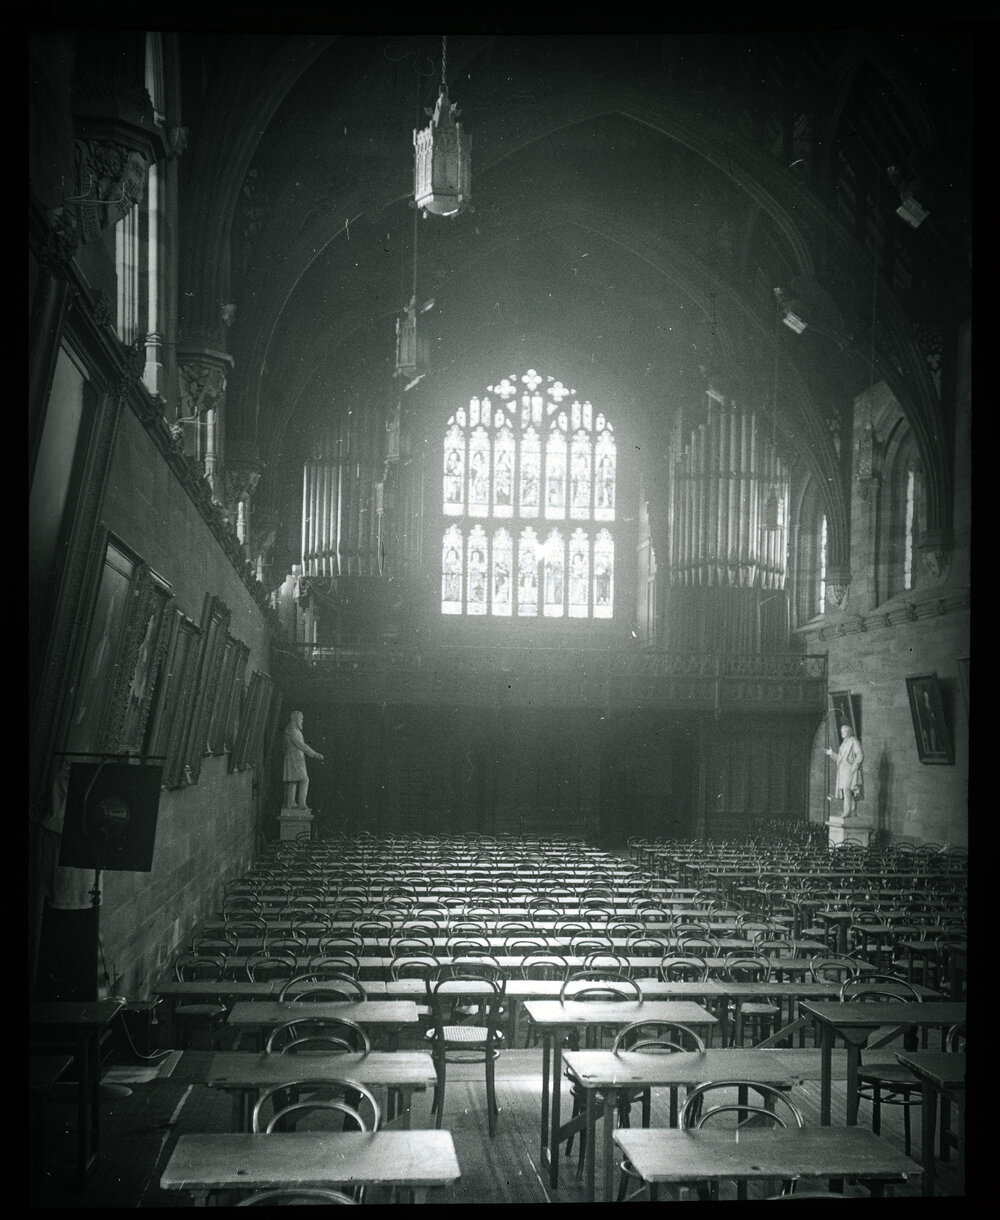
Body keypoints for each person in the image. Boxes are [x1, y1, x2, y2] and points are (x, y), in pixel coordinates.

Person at [282, 710, 323, 809]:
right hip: (294, 759)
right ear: (296, 719)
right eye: (301, 719)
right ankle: (301, 804)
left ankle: (290, 803)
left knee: (293, 780)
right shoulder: (292, 730)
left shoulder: (293, 730)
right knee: (304, 780)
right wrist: (314, 754)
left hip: (295, 758)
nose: (302, 721)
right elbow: (300, 744)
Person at [825, 722, 864, 817]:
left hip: (849, 769)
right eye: (841, 731)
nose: (842, 733)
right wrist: (832, 754)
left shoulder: (854, 742)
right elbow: (840, 759)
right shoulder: (843, 744)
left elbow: (860, 754)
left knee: (847, 790)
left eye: (844, 731)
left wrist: (856, 765)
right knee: (847, 791)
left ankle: (847, 812)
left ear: (848, 732)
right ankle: (853, 812)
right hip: (842, 770)